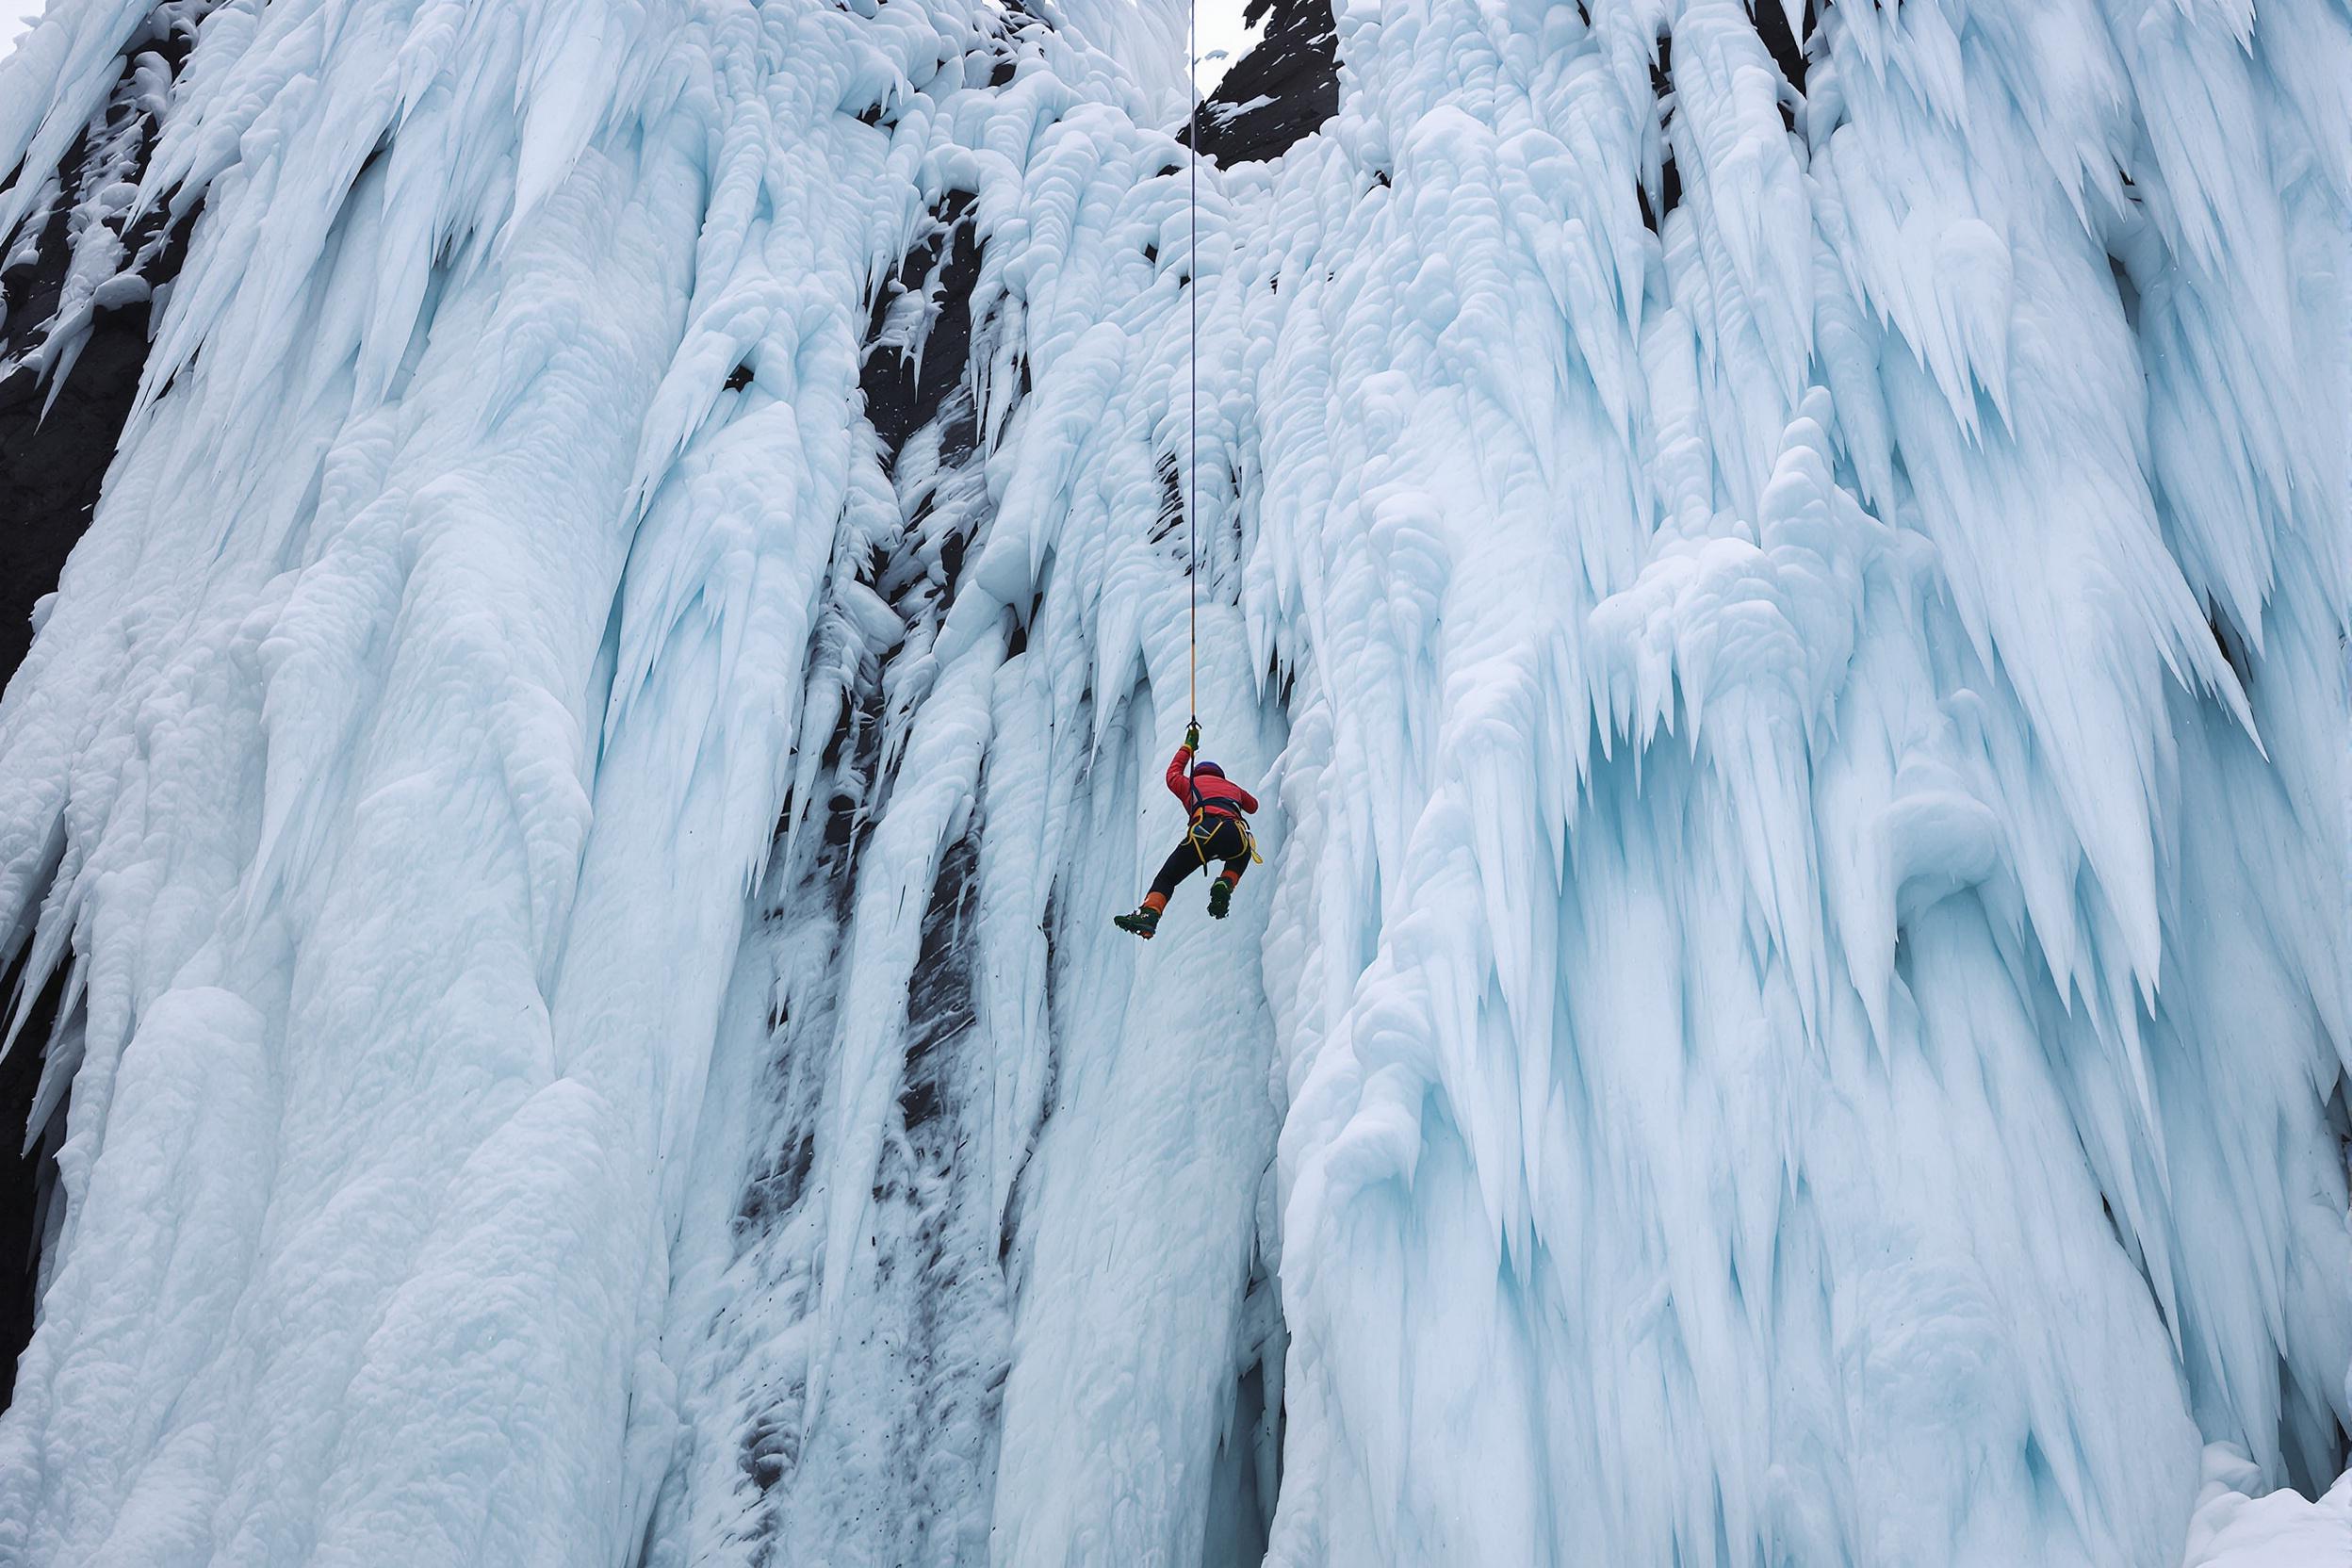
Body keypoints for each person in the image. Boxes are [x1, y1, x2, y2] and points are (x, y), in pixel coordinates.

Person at [1113, 722, 1260, 939]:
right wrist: (1233, 794)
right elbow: (1253, 806)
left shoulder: (1190, 783)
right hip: (1233, 833)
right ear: (1221, 775)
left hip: (1203, 834)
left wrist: (1188, 747)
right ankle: (1226, 883)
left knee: (1168, 877)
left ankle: (1149, 914)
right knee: (1243, 853)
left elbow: (1172, 775)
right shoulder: (1233, 788)